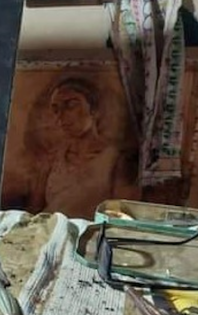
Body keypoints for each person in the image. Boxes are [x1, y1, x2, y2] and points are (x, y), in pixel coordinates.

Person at [27, 78, 138, 217]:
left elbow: (122, 216)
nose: (61, 116)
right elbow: (34, 213)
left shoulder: (116, 160)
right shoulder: (51, 160)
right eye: (56, 110)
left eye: (71, 105)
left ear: (94, 110)